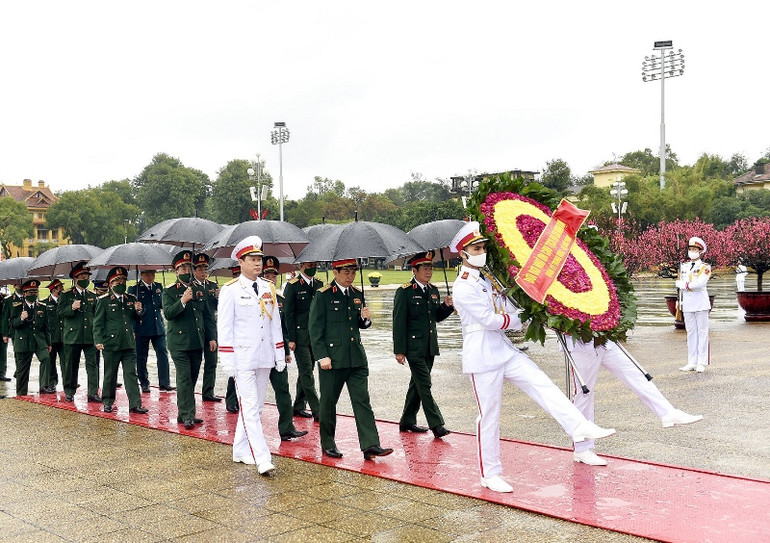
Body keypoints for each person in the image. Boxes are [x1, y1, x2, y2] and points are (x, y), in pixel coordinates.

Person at [449, 221, 615, 493]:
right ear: (463, 254)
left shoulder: (487, 278)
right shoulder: (464, 285)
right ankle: (490, 474)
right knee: (489, 416)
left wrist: (523, 302)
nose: (482, 252)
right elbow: (489, 319)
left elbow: (504, 305)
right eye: (476, 248)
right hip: (482, 354)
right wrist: (520, 319)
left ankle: (579, 426)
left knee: (541, 383)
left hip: (503, 349)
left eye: (482, 247)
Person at [563, 338, 703, 466]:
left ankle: (667, 412)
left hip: (605, 339)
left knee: (636, 375)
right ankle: (582, 448)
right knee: (585, 393)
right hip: (580, 344)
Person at [308, 258, 393, 461]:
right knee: (328, 403)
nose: (350, 276)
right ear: (335, 272)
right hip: (332, 359)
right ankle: (328, 443)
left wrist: (365, 319)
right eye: (346, 272)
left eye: (353, 272)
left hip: (356, 358)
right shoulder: (323, 295)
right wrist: (321, 356)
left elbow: (358, 325)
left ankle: (370, 444)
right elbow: (315, 329)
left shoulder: (357, 294)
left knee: (362, 401)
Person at [217, 236, 283, 475]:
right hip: (242, 357)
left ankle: (240, 450)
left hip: (264, 355)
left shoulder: (268, 287)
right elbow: (224, 328)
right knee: (250, 406)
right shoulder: (231, 290)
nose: (258, 264)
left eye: (260, 259)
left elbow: (274, 323)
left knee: (255, 407)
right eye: (253, 259)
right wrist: (228, 361)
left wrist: (279, 353)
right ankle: (262, 457)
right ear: (241, 262)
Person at [393, 251, 453, 438]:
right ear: (414, 270)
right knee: (425, 384)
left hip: (429, 346)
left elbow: (436, 317)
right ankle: (437, 425)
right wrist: (399, 350)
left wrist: (446, 306)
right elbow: (398, 322)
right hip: (413, 348)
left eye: (431, 268)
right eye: (425, 269)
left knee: (417, 384)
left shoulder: (433, 290)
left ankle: (407, 421)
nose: (429, 272)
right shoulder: (405, 292)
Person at [163, 250, 217, 429]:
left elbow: (207, 316)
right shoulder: (170, 291)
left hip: (197, 341)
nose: (186, 270)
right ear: (176, 271)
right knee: (184, 378)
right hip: (178, 343)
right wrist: (183, 301)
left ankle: (183, 412)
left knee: (192, 377)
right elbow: (169, 314)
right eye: (183, 267)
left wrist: (211, 338)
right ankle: (188, 415)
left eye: (189, 267)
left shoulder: (200, 289)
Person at [261, 255, 308, 441]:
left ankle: (287, 427)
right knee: (254, 397)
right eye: (267, 274)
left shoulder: (280, 298)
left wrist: (286, 352)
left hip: (276, 353)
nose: (271, 278)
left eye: (274, 275)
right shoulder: (253, 296)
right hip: (257, 353)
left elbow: (284, 327)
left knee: (283, 390)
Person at [93, 267, 148, 415]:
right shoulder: (104, 301)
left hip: (128, 343)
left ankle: (135, 404)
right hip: (111, 343)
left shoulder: (131, 299)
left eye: (123, 280)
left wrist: (138, 311)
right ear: (110, 284)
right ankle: (108, 402)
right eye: (117, 280)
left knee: (131, 374)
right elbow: (98, 323)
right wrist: (98, 340)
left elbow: (136, 319)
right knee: (110, 374)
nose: (121, 283)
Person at [283, 260, 323, 421]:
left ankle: (299, 405)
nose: (312, 268)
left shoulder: (319, 284)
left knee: (306, 372)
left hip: (316, 336)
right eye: (309, 265)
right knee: (307, 372)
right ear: (301, 266)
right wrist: (291, 339)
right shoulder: (293, 286)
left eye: (315, 265)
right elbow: (288, 314)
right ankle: (317, 409)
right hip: (299, 337)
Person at [58, 262, 100, 403]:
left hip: (90, 336)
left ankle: (93, 392)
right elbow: (59, 313)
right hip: (73, 336)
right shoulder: (66, 295)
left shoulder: (92, 295)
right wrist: (71, 307)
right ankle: (69, 391)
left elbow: (97, 315)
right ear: (75, 278)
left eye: (87, 276)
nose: (85, 278)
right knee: (71, 365)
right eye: (82, 276)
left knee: (93, 365)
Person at [129, 270, 175, 393]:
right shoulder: (134, 289)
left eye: (153, 274)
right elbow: (131, 312)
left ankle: (164, 383)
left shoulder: (158, 287)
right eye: (148, 275)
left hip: (157, 327)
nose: (151, 277)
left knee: (162, 353)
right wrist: (137, 308)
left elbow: (161, 305)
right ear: (142, 275)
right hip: (142, 327)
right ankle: (144, 382)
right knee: (141, 356)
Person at [676, 237, 712, 373]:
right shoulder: (684, 266)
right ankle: (692, 361)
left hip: (700, 303)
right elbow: (679, 282)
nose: (692, 252)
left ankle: (701, 362)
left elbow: (700, 284)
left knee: (702, 332)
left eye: (695, 250)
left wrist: (684, 285)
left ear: (700, 252)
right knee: (690, 332)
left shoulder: (705, 267)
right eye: (690, 249)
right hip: (688, 303)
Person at [9, 280, 51, 396]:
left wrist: (49, 343)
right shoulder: (17, 307)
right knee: (23, 371)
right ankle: (21, 394)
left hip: (39, 341)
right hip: (23, 342)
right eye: (30, 292)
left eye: (35, 291)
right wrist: (21, 319)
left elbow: (46, 327)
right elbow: (12, 324)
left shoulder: (41, 306)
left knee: (46, 359)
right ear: (24, 293)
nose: (33, 294)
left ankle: (43, 386)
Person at [193, 253, 222, 402]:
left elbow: (216, 310)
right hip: (196, 330)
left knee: (211, 361)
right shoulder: (191, 287)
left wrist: (219, 298)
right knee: (195, 364)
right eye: (200, 269)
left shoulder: (212, 285)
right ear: (194, 271)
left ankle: (208, 391)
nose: (203, 272)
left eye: (205, 269)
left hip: (211, 328)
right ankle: (189, 391)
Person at [224, 264, 241, 414]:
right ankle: (231, 400)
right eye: (235, 275)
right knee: (234, 371)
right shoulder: (229, 290)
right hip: (235, 337)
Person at [43, 279, 65, 392]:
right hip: (52, 338)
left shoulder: (65, 301)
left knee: (66, 362)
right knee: (51, 363)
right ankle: (52, 383)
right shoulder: (45, 303)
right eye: (61, 287)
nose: (63, 289)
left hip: (65, 337)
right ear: (54, 290)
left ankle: (69, 382)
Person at [0, 281, 24, 383]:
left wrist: (5, 332)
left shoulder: (5, 297)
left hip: (3, 327)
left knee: (2, 352)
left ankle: (2, 373)